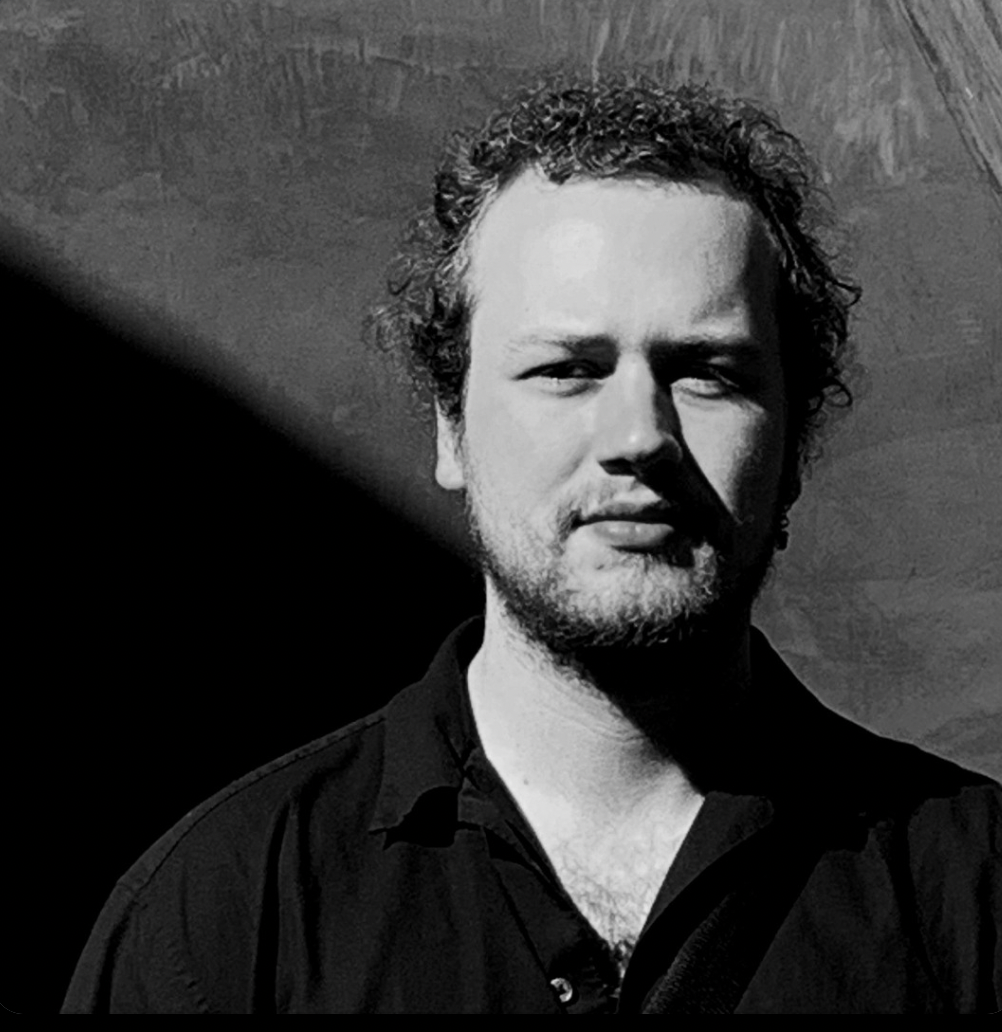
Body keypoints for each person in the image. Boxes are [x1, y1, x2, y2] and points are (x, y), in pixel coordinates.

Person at [61, 75, 1000, 1014]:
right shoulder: (223, 921)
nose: (639, 435)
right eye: (567, 370)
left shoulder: (977, 897)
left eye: (707, 373)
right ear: (451, 429)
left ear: (794, 442)